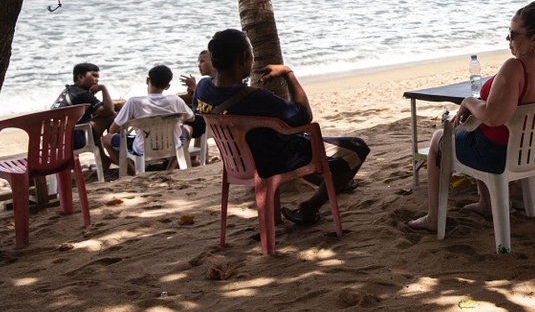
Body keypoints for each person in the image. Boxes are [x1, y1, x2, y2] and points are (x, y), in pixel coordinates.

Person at [409, 0, 535, 232]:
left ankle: (434, 217)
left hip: (500, 154)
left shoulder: (515, 67)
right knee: (474, 132)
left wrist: (469, 102)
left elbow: (494, 117)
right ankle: (486, 203)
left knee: (439, 139)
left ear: (534, 40)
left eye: (513, 34)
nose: (508, 40)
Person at [194, 29, 369, 226]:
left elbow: (199, 117)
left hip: (238, 163)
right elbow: (304, 116)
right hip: (274, 160)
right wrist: (288, 73)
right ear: (244, 57)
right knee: (357, 146)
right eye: (250, 53)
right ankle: (311, 207)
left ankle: (332, 183)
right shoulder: (254, 97)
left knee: (310, 153)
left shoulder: (202, 88)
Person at [103, 65, 192, 173]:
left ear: (147, 80)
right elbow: (191, 118)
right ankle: (170, 168)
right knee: (188, 129)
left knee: (106, 138)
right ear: (168, 86)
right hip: (172, 146)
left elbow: (113, 130)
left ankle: (132, 172)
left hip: (142, 149)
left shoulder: (133, 102)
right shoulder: (176, 100)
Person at [51, 62, 116, 164]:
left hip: (56, 142)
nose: (97, 80)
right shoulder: (82, 94)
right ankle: (116, 151)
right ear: (80, 77)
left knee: (92, 120)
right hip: (71, 141)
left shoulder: (71, 91)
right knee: (111, 117)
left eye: (98, 77)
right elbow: (108, 111)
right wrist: (103, 88)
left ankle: (103, 160)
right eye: (93, 75)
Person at [179, 49, 215, 157]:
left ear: (213, 62)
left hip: (210, 121)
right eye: (198, 63)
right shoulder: (208, 81)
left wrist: (195, 88)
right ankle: (197, 156)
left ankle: (179, 157)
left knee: (179, 124)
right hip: (209, 119)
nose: (199, 65)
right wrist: (195, 92)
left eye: (202, 61)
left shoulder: (212, 81)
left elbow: (213, 100)